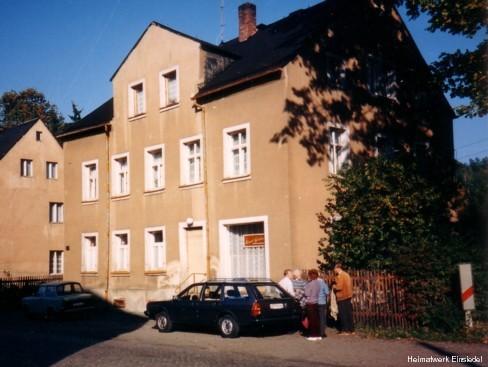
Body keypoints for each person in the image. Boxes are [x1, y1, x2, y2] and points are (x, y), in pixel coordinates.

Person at [332, 263, 354, 335]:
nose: (334, 271)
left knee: (343, 314)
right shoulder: (346, 274)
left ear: (337, 268)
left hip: (342, 296)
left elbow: (339, 287)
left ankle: (345, 330)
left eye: (334, 269)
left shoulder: (341, 275)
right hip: (348, 296)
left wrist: (334, 286)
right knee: (348, 313)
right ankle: (351, 330)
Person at [304, 269, 321, 341]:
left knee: (311, 320)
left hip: (310, 303)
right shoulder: (318, 283)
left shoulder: (309, 284)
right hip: (316, 302)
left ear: (310, 275)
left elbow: (307, 294)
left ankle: (312, 335)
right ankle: (318, 335)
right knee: (316, 319)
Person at [318, 271, 330, 337]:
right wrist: (327, 303)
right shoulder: (323, 283)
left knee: (315, 318)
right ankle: (322, 333)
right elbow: (327, 294)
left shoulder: (312, 283)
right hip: (322, 303)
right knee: (322, 318)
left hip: (314, 303)